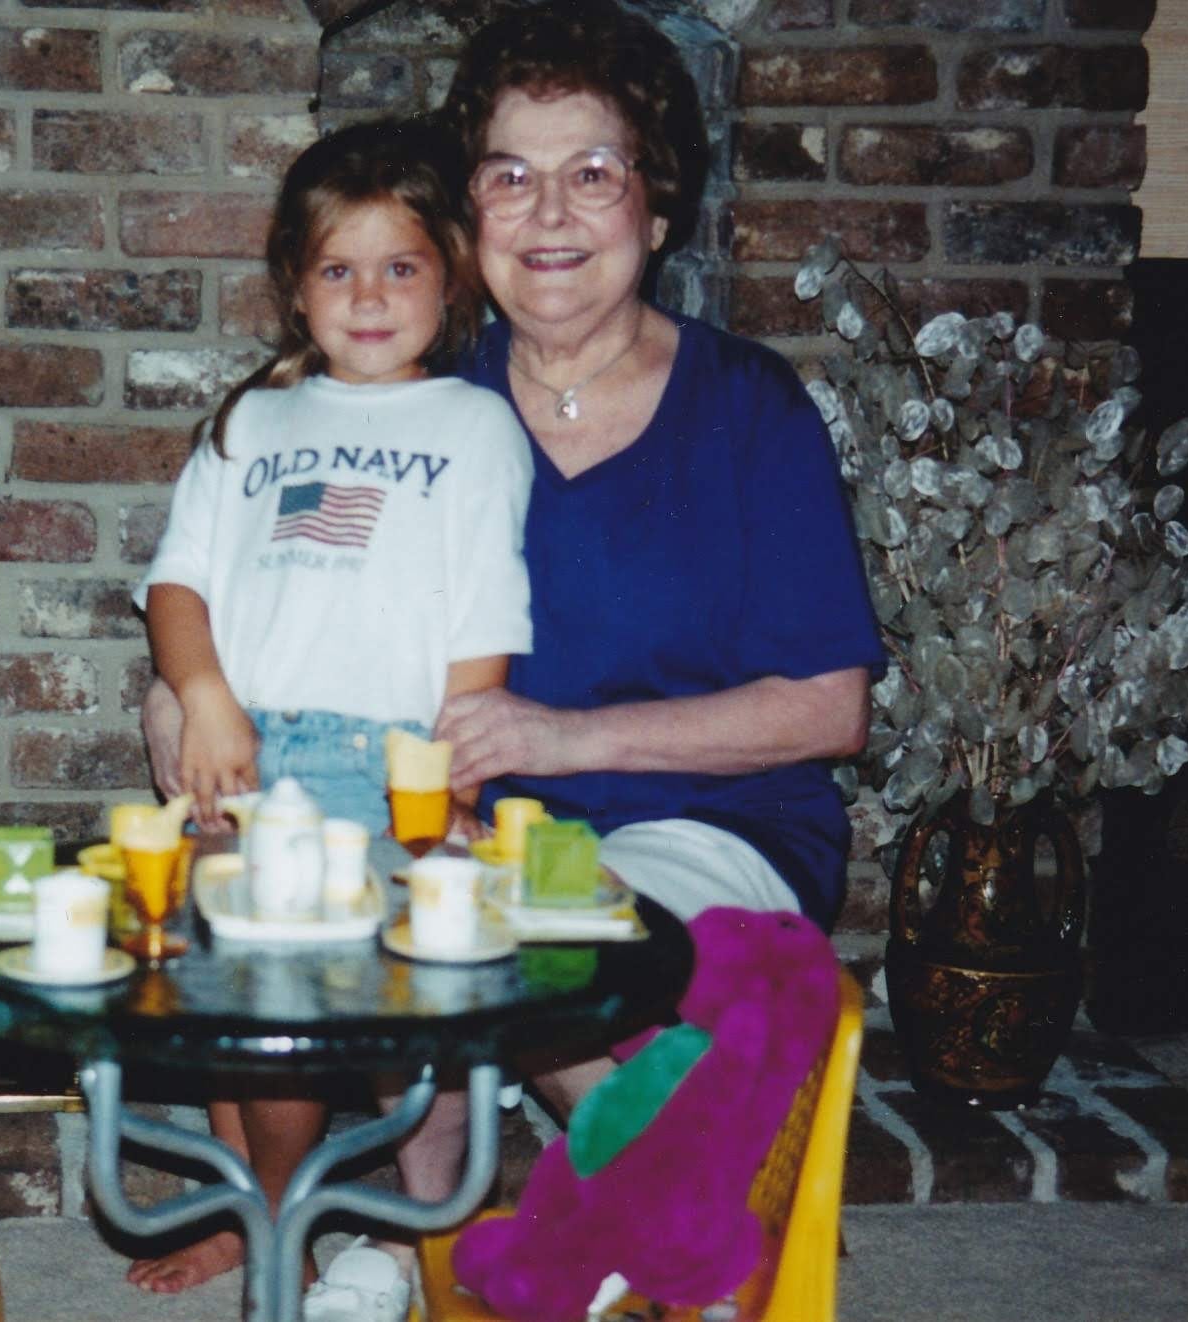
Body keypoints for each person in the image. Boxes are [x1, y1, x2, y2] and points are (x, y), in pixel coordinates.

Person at [143, 0, 884, 1311]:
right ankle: (403, 1218)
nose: (550, 212)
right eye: (510, 174)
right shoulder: (412, 402)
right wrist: (195, 709)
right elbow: (255, 605)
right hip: (454, 819)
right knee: (375, 902)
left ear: (655, 210)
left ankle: (641, 1232)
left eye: (593, 172)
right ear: (465, 220)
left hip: (697, 821)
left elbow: (831, 709)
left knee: (522, 937)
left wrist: (562, 739)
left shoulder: (747, 409)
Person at [126, 116, 535, 1308]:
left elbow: (480, 623)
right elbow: (177, 583)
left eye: (399, 265)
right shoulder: (249, 422)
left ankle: (301, 1207)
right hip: (240, 745)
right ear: (293, 290)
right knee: (229, 990)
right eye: (337, 269)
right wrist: (201, 698)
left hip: (381, 759)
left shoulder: (470, 428)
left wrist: (452, 788)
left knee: (319, 1004)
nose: (368, 295)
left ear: (448, 278)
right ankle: (263, 1219)